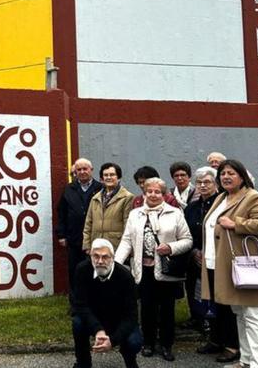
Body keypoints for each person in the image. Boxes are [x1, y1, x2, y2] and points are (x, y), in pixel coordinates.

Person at [201, 159, 258, 368]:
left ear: (242, 176)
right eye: (222, 173)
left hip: (247, 267)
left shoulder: (253, 197)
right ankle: (245, 360)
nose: (226, 177)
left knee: (254, 315)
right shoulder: (222, 197)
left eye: (231, 173)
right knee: (239, 313)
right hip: (224, 266)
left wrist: (235, 223)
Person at [116, 177, 192, 361]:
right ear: (144, 193)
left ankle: (166, 345)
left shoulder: (174, 213)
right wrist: (116, 264)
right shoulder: (136, 214)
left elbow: (188, 240)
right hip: (143, 269)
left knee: (167, 309)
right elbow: (127, 240)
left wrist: (171, 248)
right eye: (149, 191)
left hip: (166, 270)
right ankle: (148, 343)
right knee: (146, 308)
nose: (153, 195)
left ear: (164, 194)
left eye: (157, 192)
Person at [190, 167, 239, 362]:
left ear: (215, 184)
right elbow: (190, 232)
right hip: (203, 261)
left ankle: (232, 345)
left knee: (226, 304)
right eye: (200, 182)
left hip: (222, 260)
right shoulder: (193, 207)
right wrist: (195, 251)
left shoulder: (223, 202)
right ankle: (216, 340)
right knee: (210, 303)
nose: (203, 185)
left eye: (207, 182)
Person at [71, 238, 142, 368]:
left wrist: (113, 341)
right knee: (77, 323)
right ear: (90, 256)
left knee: (134, 341)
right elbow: (79, 305)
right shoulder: (82, 270)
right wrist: (98, 330)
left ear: (112, 258)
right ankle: (83, 362)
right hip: (94, 319)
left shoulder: (125, 277)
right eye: (96, 256)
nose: (100, 261)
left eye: (105, 257)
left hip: (118, 321)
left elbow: (131, 316)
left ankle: (130, 360)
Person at [57, 158, 103, 288]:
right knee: (75, 270)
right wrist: (61, 235)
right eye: (79, 169)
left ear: (91, 170)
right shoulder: (68, 189)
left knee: (95, 269)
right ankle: (76, 303)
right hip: (74, 238)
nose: (82, 172)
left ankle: (94, 302)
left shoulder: (100, 188)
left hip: (95, 237)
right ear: (75, 172)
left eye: (85, 169)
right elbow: (62, 213)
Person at [82, 163, 134, 252]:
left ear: (119, 177)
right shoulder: (95, 198)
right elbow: (88, 224)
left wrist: (126, 248)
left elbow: (128, 226)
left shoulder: (127, 197)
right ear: (102, 179)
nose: (108, 177)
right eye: (105, 175)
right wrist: (87, 246)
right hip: (96, 246)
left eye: (112, 175)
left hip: (116, 247)